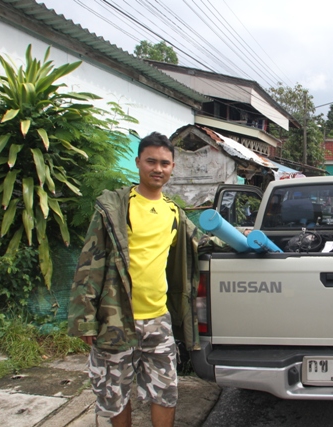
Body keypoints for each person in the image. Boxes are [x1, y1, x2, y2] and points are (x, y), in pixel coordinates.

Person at [68, 132, 206, 427]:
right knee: (113, 394)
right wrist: (85, 318)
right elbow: (89, 262)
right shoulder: (116, 207)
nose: (158, 169)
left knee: (165, 391)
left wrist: (243, 242)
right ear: (138, 163)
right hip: (115, 320)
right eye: (151, 161)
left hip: (158, 320)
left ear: (172, 167)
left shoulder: (173, 213)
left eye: (165, 163)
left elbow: (201, 243)